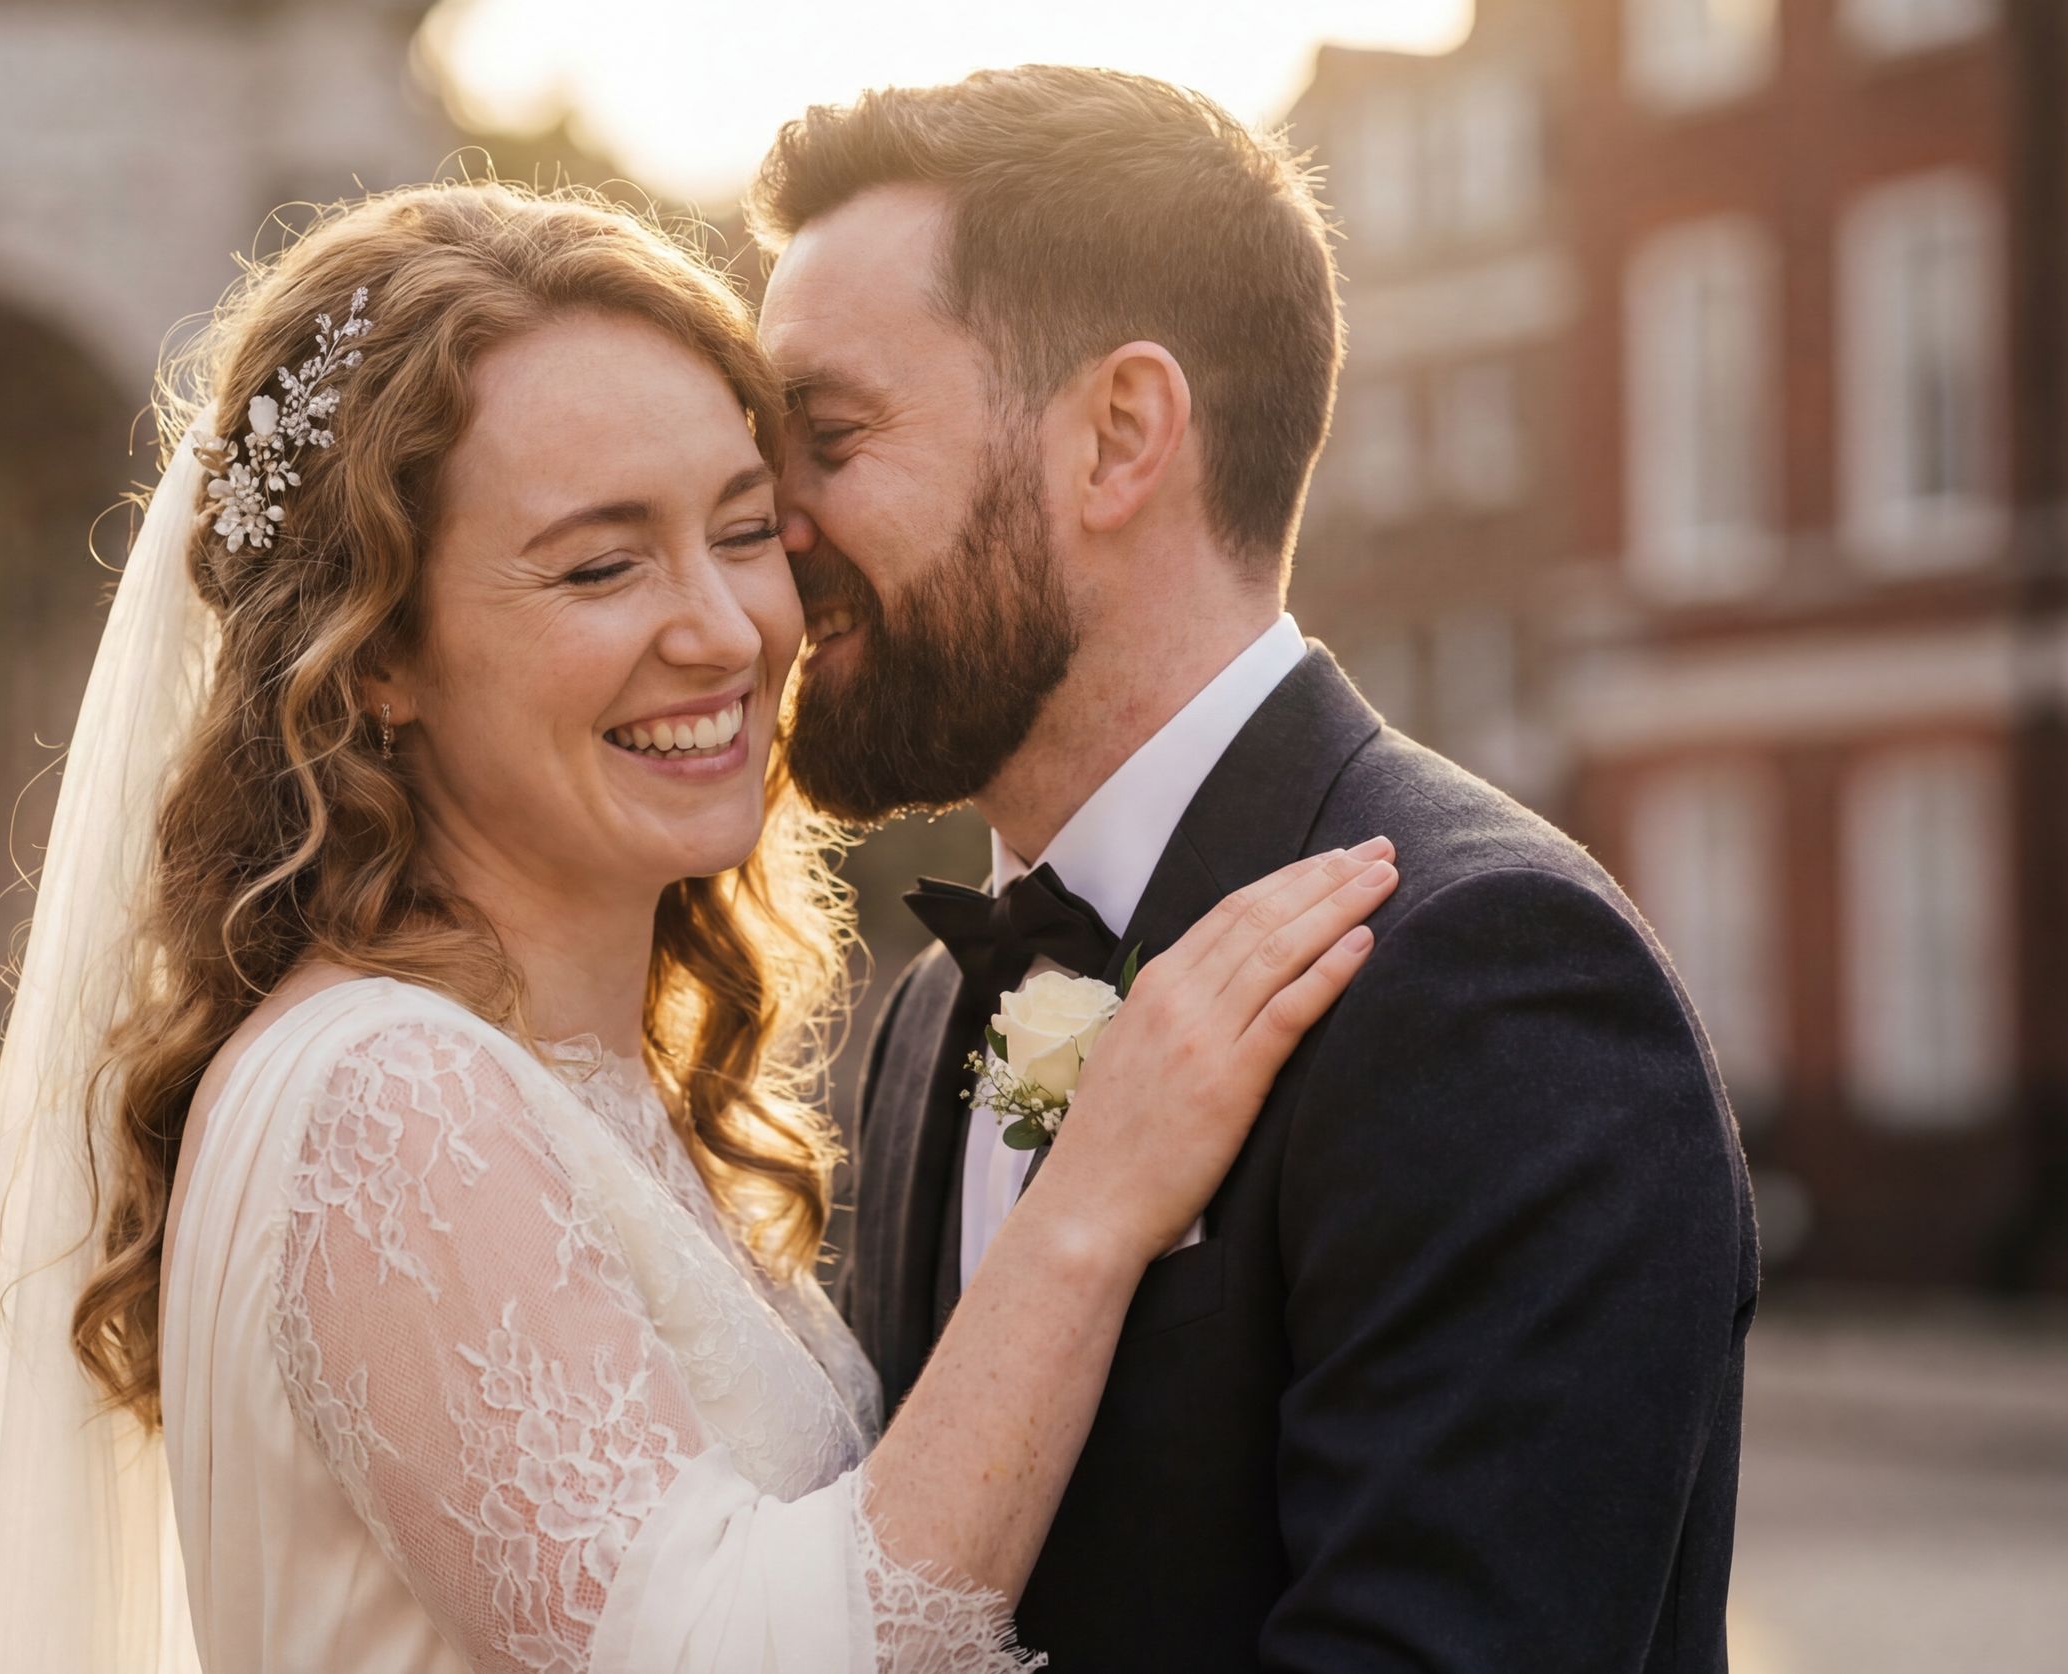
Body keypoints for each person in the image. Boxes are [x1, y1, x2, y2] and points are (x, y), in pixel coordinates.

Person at [0, 180, 1394, 1674]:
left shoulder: (534, 1075)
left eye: (745, 532)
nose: (724, 632)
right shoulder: (388, 1095)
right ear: (376, 653)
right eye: (601, 564)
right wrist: (1091, 1206)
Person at [752, 66, 1759, 1671]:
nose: (762, 524)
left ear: (1120, 436)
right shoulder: (944, 1006)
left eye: (826, 436)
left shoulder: (1492, 987)